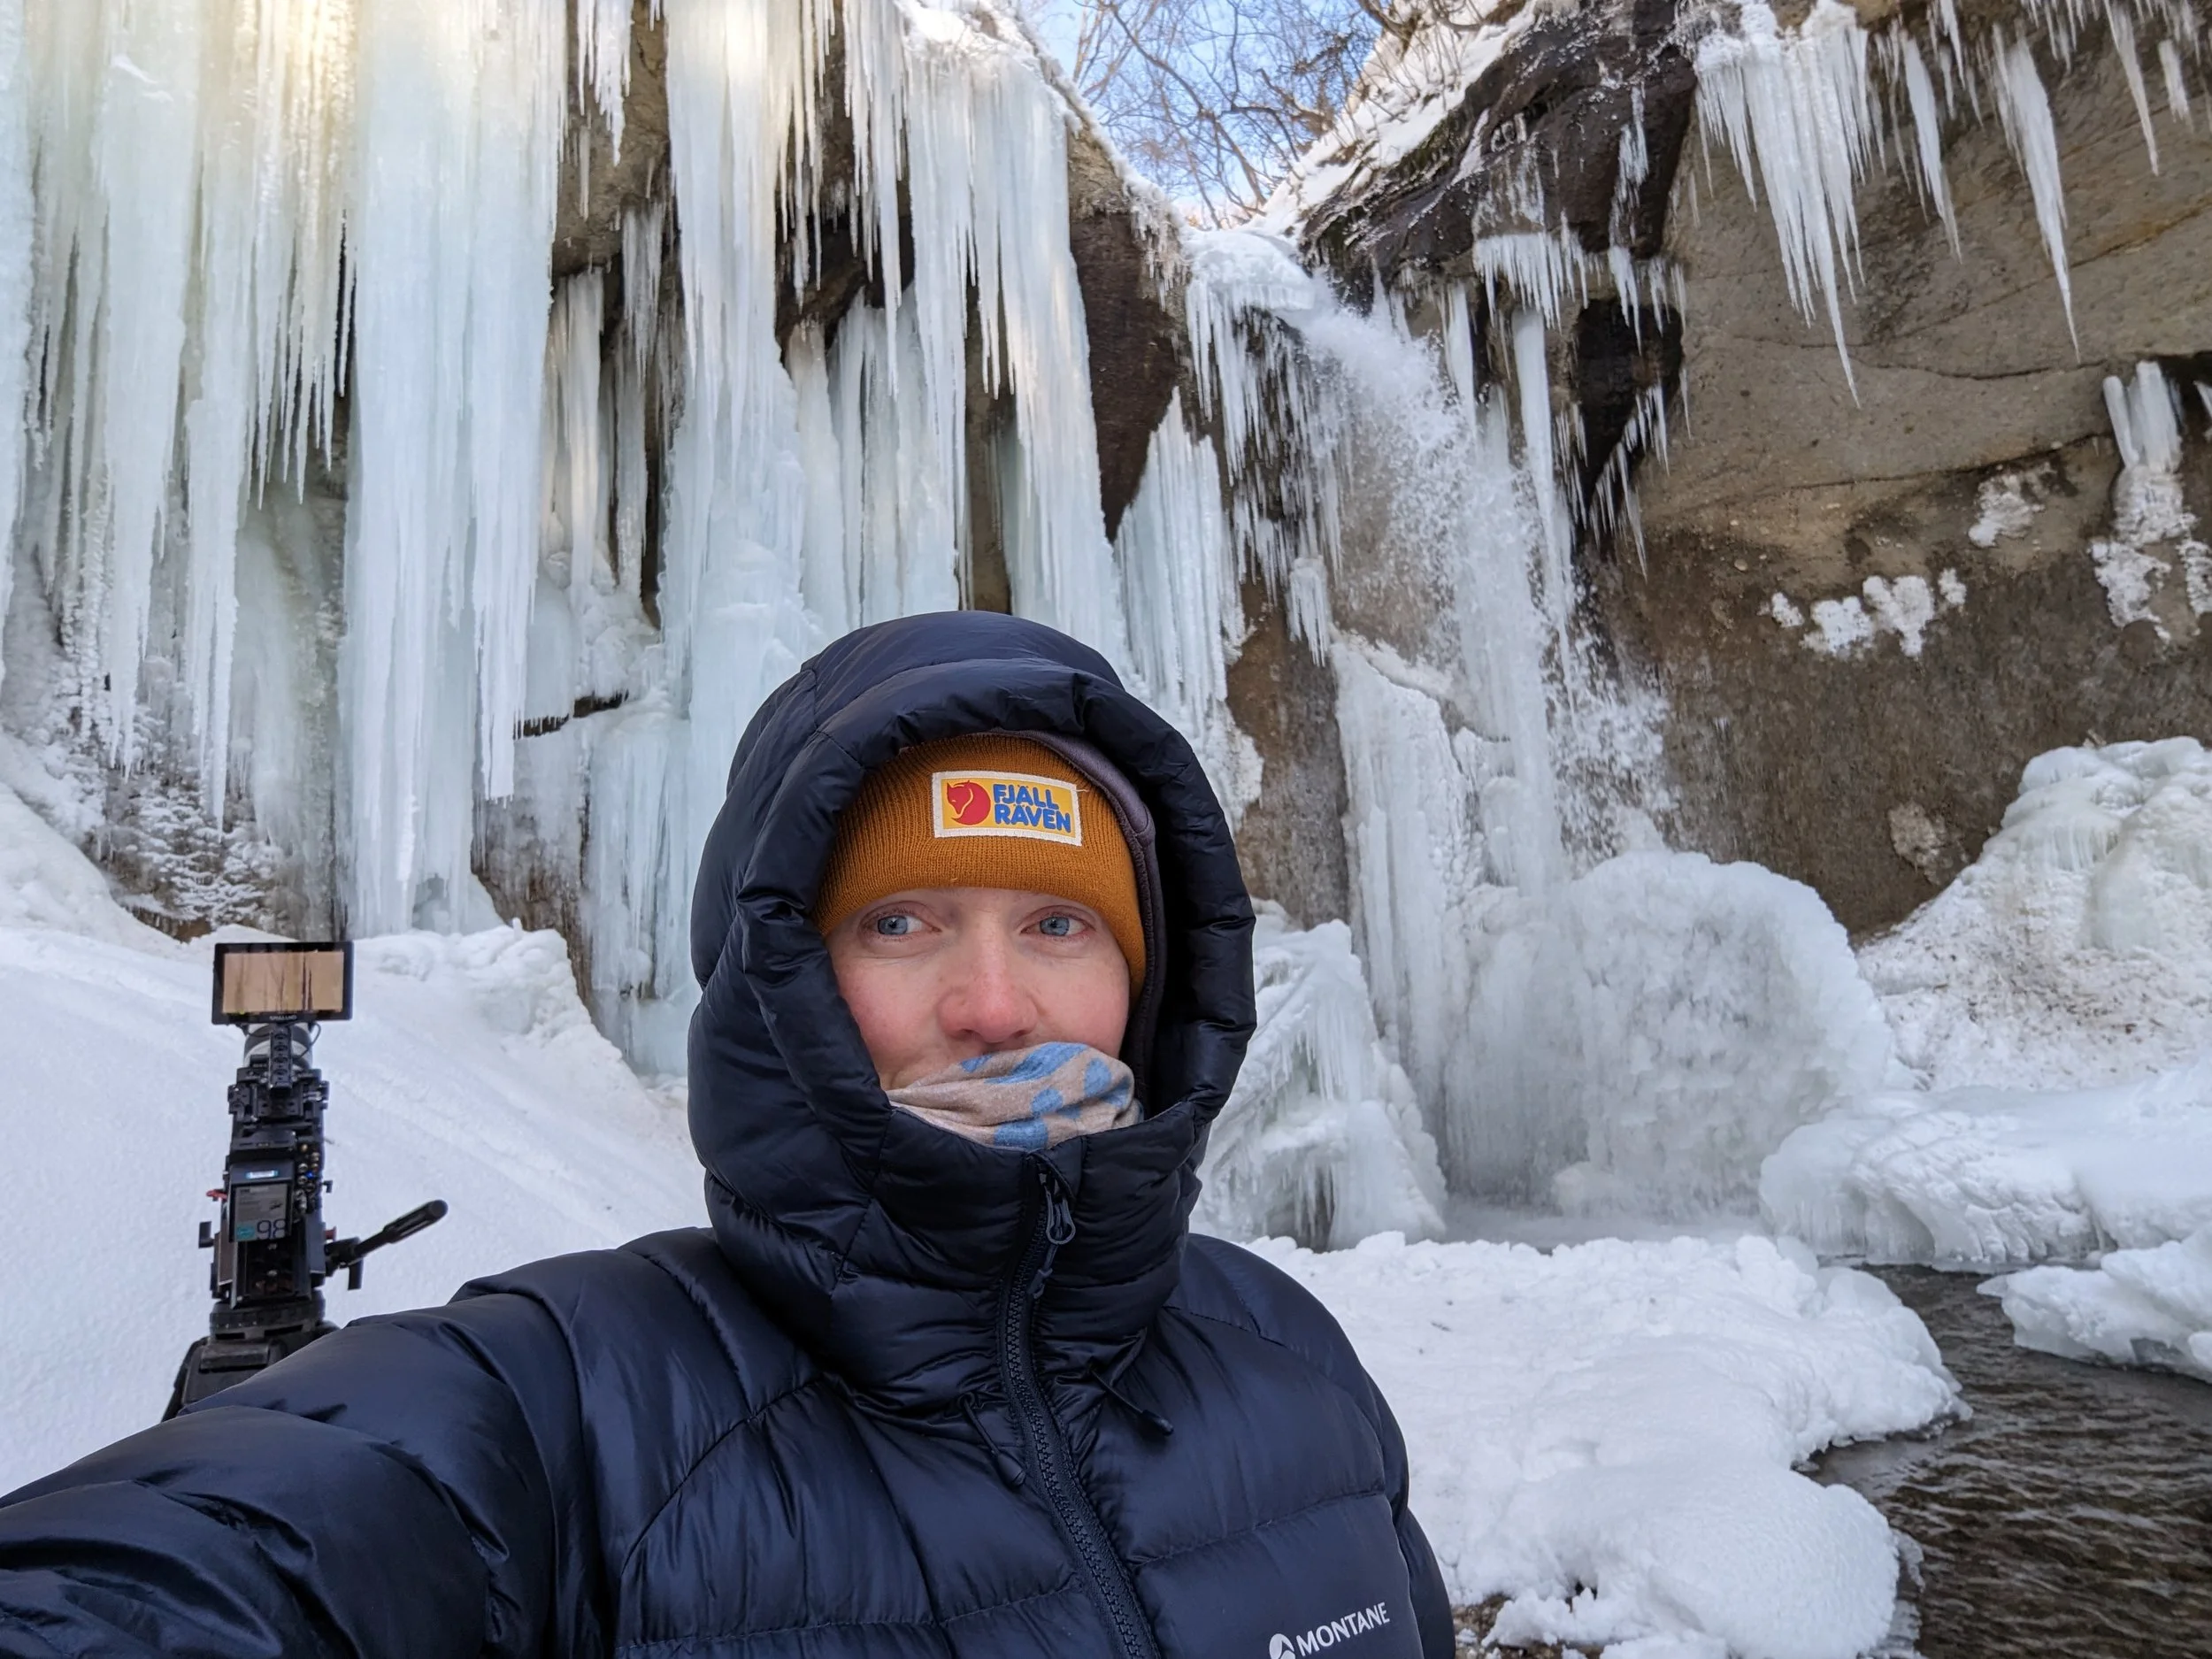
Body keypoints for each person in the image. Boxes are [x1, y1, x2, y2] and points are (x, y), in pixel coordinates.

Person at [0, 611, 1451, 1659]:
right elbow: (235, 1551)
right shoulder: (579, 1402)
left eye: (1059, 923)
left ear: (1151, 980)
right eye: (902, 923)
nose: (996, 1003)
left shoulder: (1296, 1365)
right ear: (787, 980)